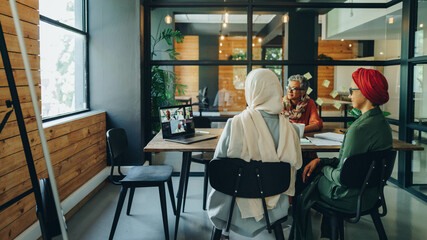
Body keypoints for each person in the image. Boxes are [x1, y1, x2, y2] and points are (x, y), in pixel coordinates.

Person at [292, 68, 393, 240]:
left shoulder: (358, 130)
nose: (349, 96)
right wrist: (322, 162)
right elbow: (351, 163)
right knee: (313, 175)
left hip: (349, 197)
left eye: (352, 91)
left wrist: (322, 169)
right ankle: (328, 234)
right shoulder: (383, 124)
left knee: (303, 182)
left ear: (366, 92)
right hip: (370, 194)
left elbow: (342, 177)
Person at [207, 68, 303, 239]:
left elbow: (218, 165)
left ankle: (223, 233)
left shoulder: (234, 124)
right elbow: (296, 166)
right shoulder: (292, 129)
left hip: (232, 209)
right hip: (274, 210)